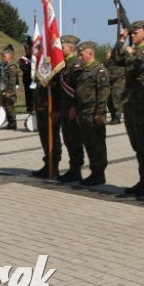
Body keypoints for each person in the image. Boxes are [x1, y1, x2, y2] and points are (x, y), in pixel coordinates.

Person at [116, 22, 144, 196]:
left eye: (135, 33)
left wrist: (128, 53)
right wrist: (120, 41)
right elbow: (116, 61)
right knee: (137, 145)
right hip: (130, 101)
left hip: (142, 101)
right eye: (131, 33)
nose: (132, 35)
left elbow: (135, 68)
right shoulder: (132, 51)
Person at [74, 41, 109, 186]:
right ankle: (94, 172)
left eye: (81, 54)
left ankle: (99, 174)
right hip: (83, 113)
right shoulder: (83, 71)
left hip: (94, 114)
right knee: (88, 144)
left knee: (97, 145)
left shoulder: (99, 71)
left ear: (90, 53)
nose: (79, 57)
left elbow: (103, 93)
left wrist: (99, 112)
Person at [55, 36, 86, 182]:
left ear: (71, 48)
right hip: (64, 108)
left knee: (74, 140)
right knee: (68, 139)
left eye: (63, 46)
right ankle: (73, 168)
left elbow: (79, 89)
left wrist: (75, 106)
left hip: (72, 109)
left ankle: (76, 170)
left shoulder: (76, 66)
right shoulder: (64, 65)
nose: (60, 49)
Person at [0, 46, 20, 130]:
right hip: (5, 90)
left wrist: (9, 92)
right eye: (2, 56)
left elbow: (12, 81)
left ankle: (13, 123)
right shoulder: (5, 67)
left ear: (10, 56)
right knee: (7, 107)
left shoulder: (12, 67)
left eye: (4, 56)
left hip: (10, 92)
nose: (3, 58)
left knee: (9, 107)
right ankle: (10, 122)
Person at [104, 49, 123, 125]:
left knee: (116, 102)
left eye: (107, 55)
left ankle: (117, 118)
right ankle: (113, 118)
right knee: (109, 102)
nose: (106, 57)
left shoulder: (117, 63)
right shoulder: (108, 64)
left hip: (117, 85)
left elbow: (117, 74)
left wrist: (107, 76)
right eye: (106, 56)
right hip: (110, 85)